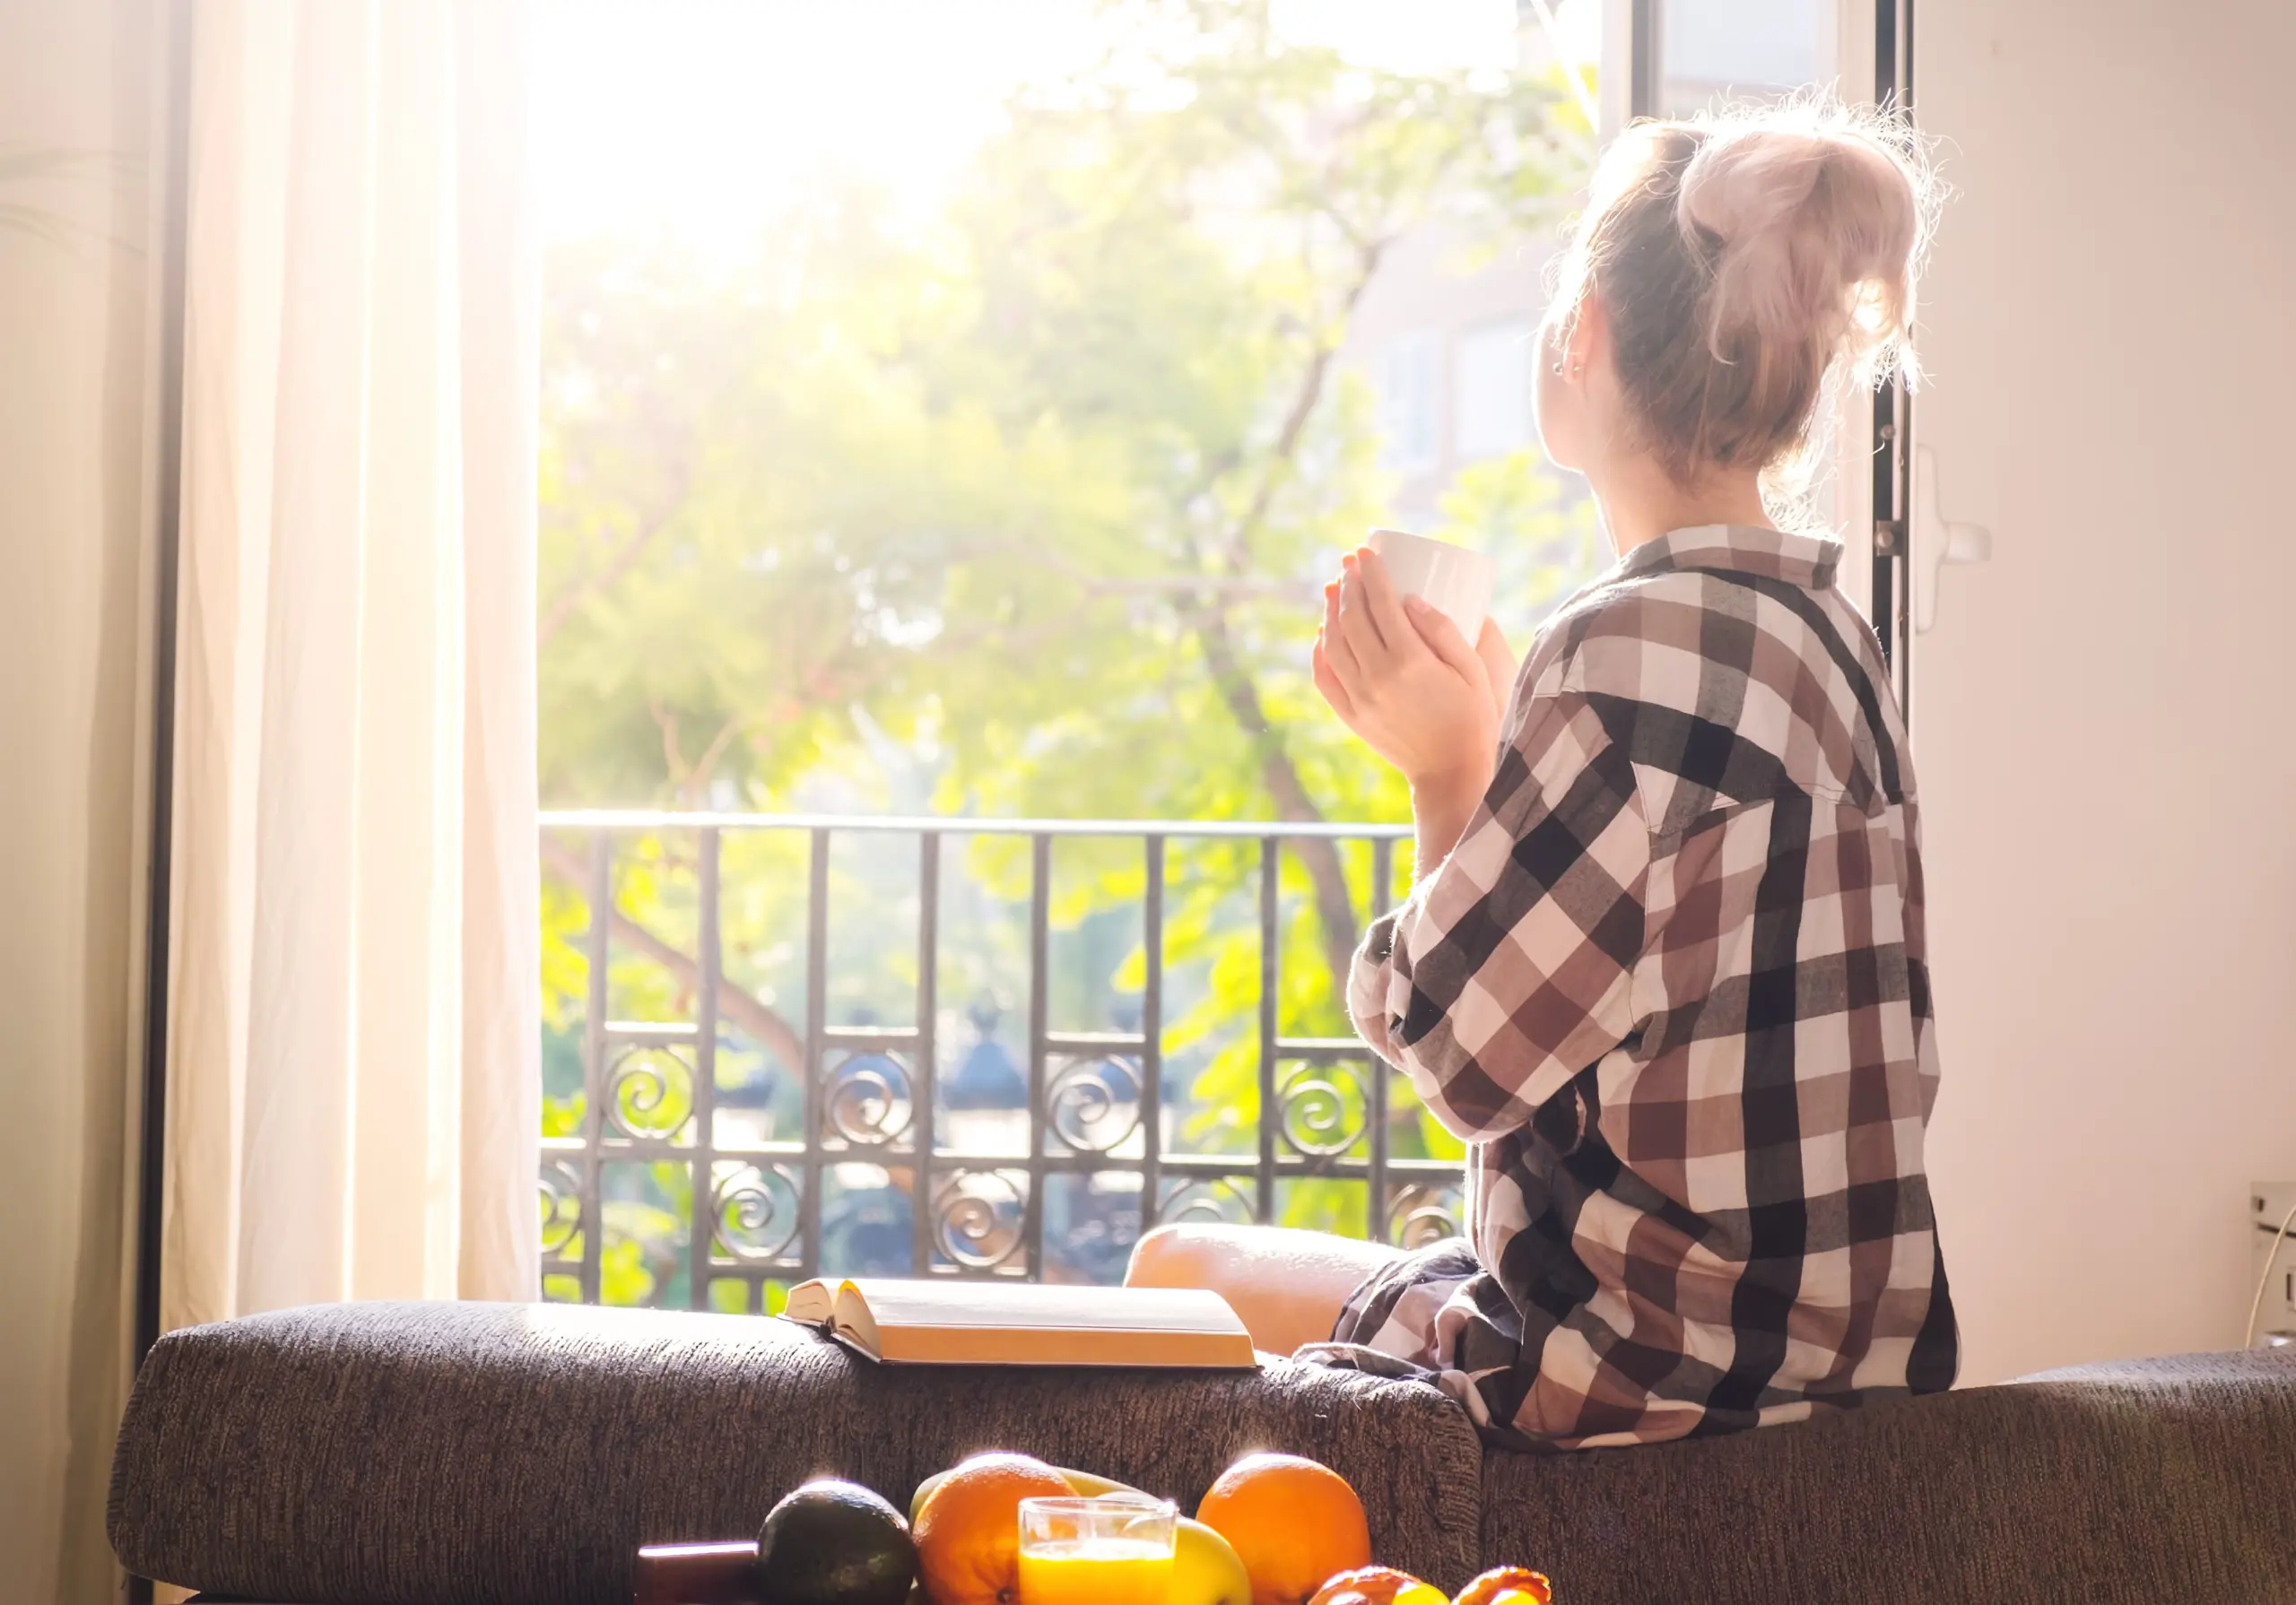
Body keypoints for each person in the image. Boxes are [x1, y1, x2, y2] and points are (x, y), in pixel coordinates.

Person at [1126, 97, 1958, 1451]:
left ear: (1585, 338)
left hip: (1635, 1377)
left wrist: (1449, 765)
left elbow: (1460, 1056)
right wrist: (1517, 747)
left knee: (1175, 1266)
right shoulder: (1838, 642)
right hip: (1850, 1370)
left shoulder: (1615, 649)